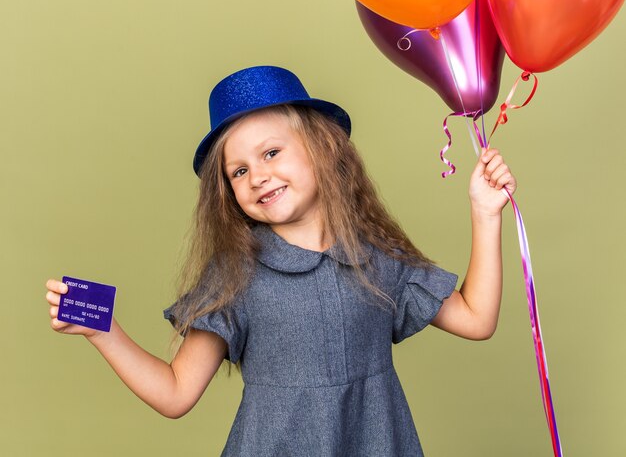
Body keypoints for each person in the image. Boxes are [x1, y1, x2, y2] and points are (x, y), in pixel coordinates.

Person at [45, 65, 516, 456]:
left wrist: (484, 214)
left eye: (272, 152)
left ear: (323, 149)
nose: (259, 177)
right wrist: (101, 330)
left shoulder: (375, 256)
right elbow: (175, 393)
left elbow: (477, 319)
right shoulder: (235, 277)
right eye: (240, 171)